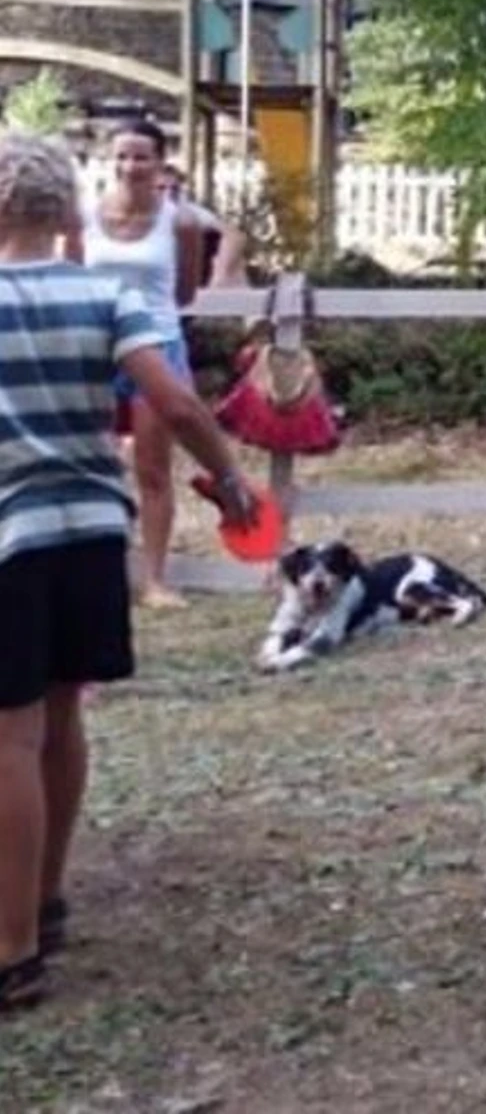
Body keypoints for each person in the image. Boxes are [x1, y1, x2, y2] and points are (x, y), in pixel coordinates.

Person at [0, 132, 257, 1014]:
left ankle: (12, 952)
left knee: (10, 738)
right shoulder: (105, 293)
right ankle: (44, 900)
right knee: (63, 715)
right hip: (88, 534)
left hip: (9, 536)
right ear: (63, 209)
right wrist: (231, 483)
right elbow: (176, 401)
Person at [71, 120, 245, 610]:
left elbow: (185, 293)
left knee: (152, 468)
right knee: (92, 464)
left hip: (157, 346)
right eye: (121, 156)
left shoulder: (181, 222)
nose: (130, 166)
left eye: (141, 157)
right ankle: (98, 575)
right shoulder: (84, 214)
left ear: (160, 162)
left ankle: (154, 580)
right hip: (96, 348)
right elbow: (72, 277)